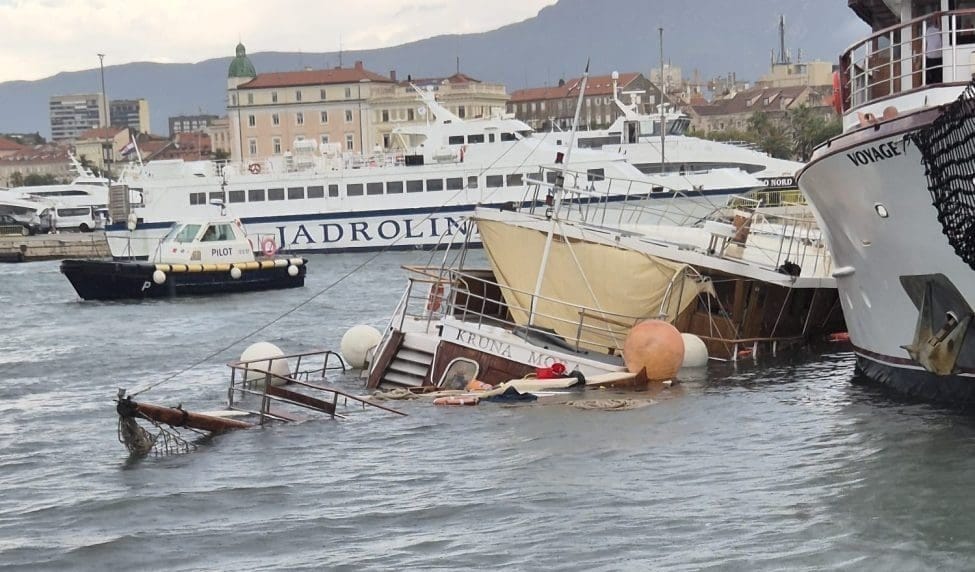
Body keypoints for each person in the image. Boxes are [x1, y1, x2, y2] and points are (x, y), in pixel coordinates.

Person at [926, 17, 943, 85]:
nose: (936, 20)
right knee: (929, 79)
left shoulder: (943, 29)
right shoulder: (929, 30)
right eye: (935, 18)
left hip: (939, 57)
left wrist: (940, 24)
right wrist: (919, 60)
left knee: (938, 78)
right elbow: (925, 43)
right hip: (929, 57)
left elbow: (942, 35)